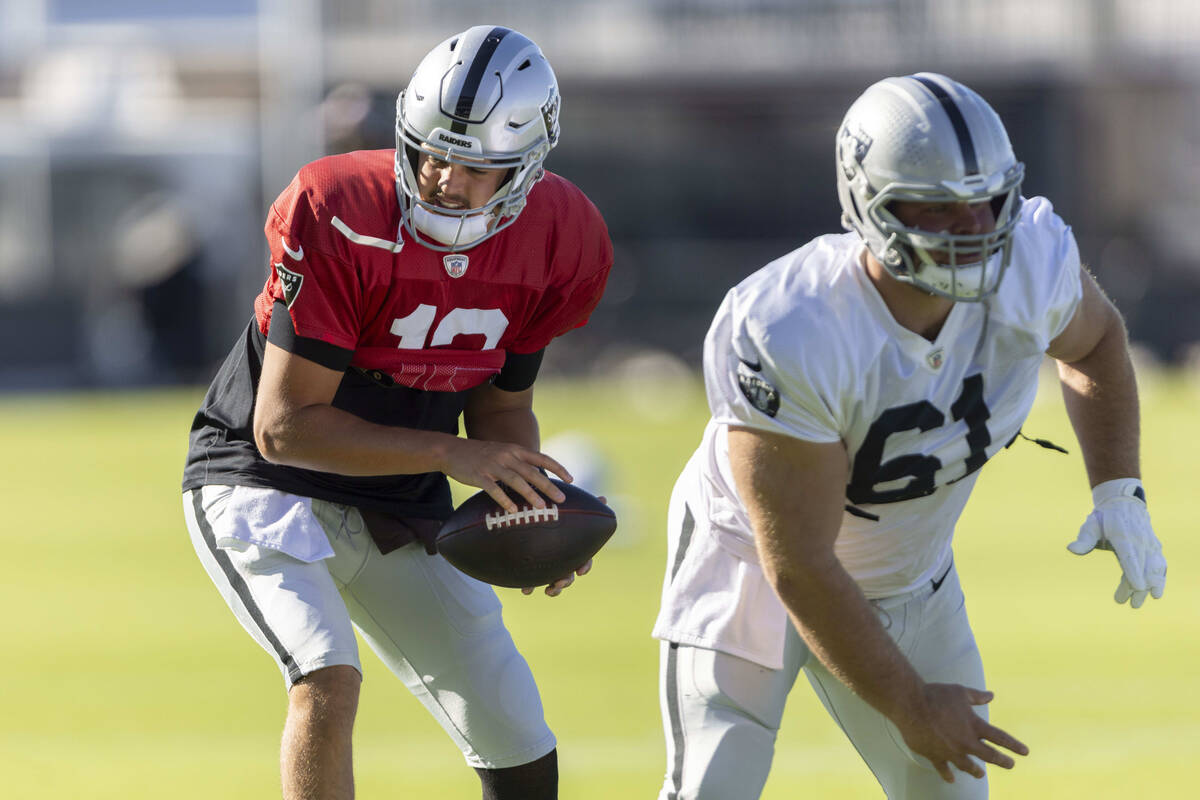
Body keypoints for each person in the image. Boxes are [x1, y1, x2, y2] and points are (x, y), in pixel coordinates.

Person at [652, 72, 1167, 799]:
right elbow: (797, 561)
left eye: (986, 203)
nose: (972, 230)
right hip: (749, 565)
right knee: (713, 785)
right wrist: (911, 703)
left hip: (909, 579)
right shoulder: (791, 328)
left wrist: (1118, 486)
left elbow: (1097, 342)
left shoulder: (1032, 263)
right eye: (937, 209)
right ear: (868, 204)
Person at [181, 26, 612, 799]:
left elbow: (503, 407)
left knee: (509, 717)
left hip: (400, 489)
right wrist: (453, 457)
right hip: (259, 478)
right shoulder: (342, 207)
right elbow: (284, 427)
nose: (444, 178)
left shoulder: (563, 237)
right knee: (325, 673)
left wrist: (535, 502)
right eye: (429, 152)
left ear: (526, 164)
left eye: (475, 165)